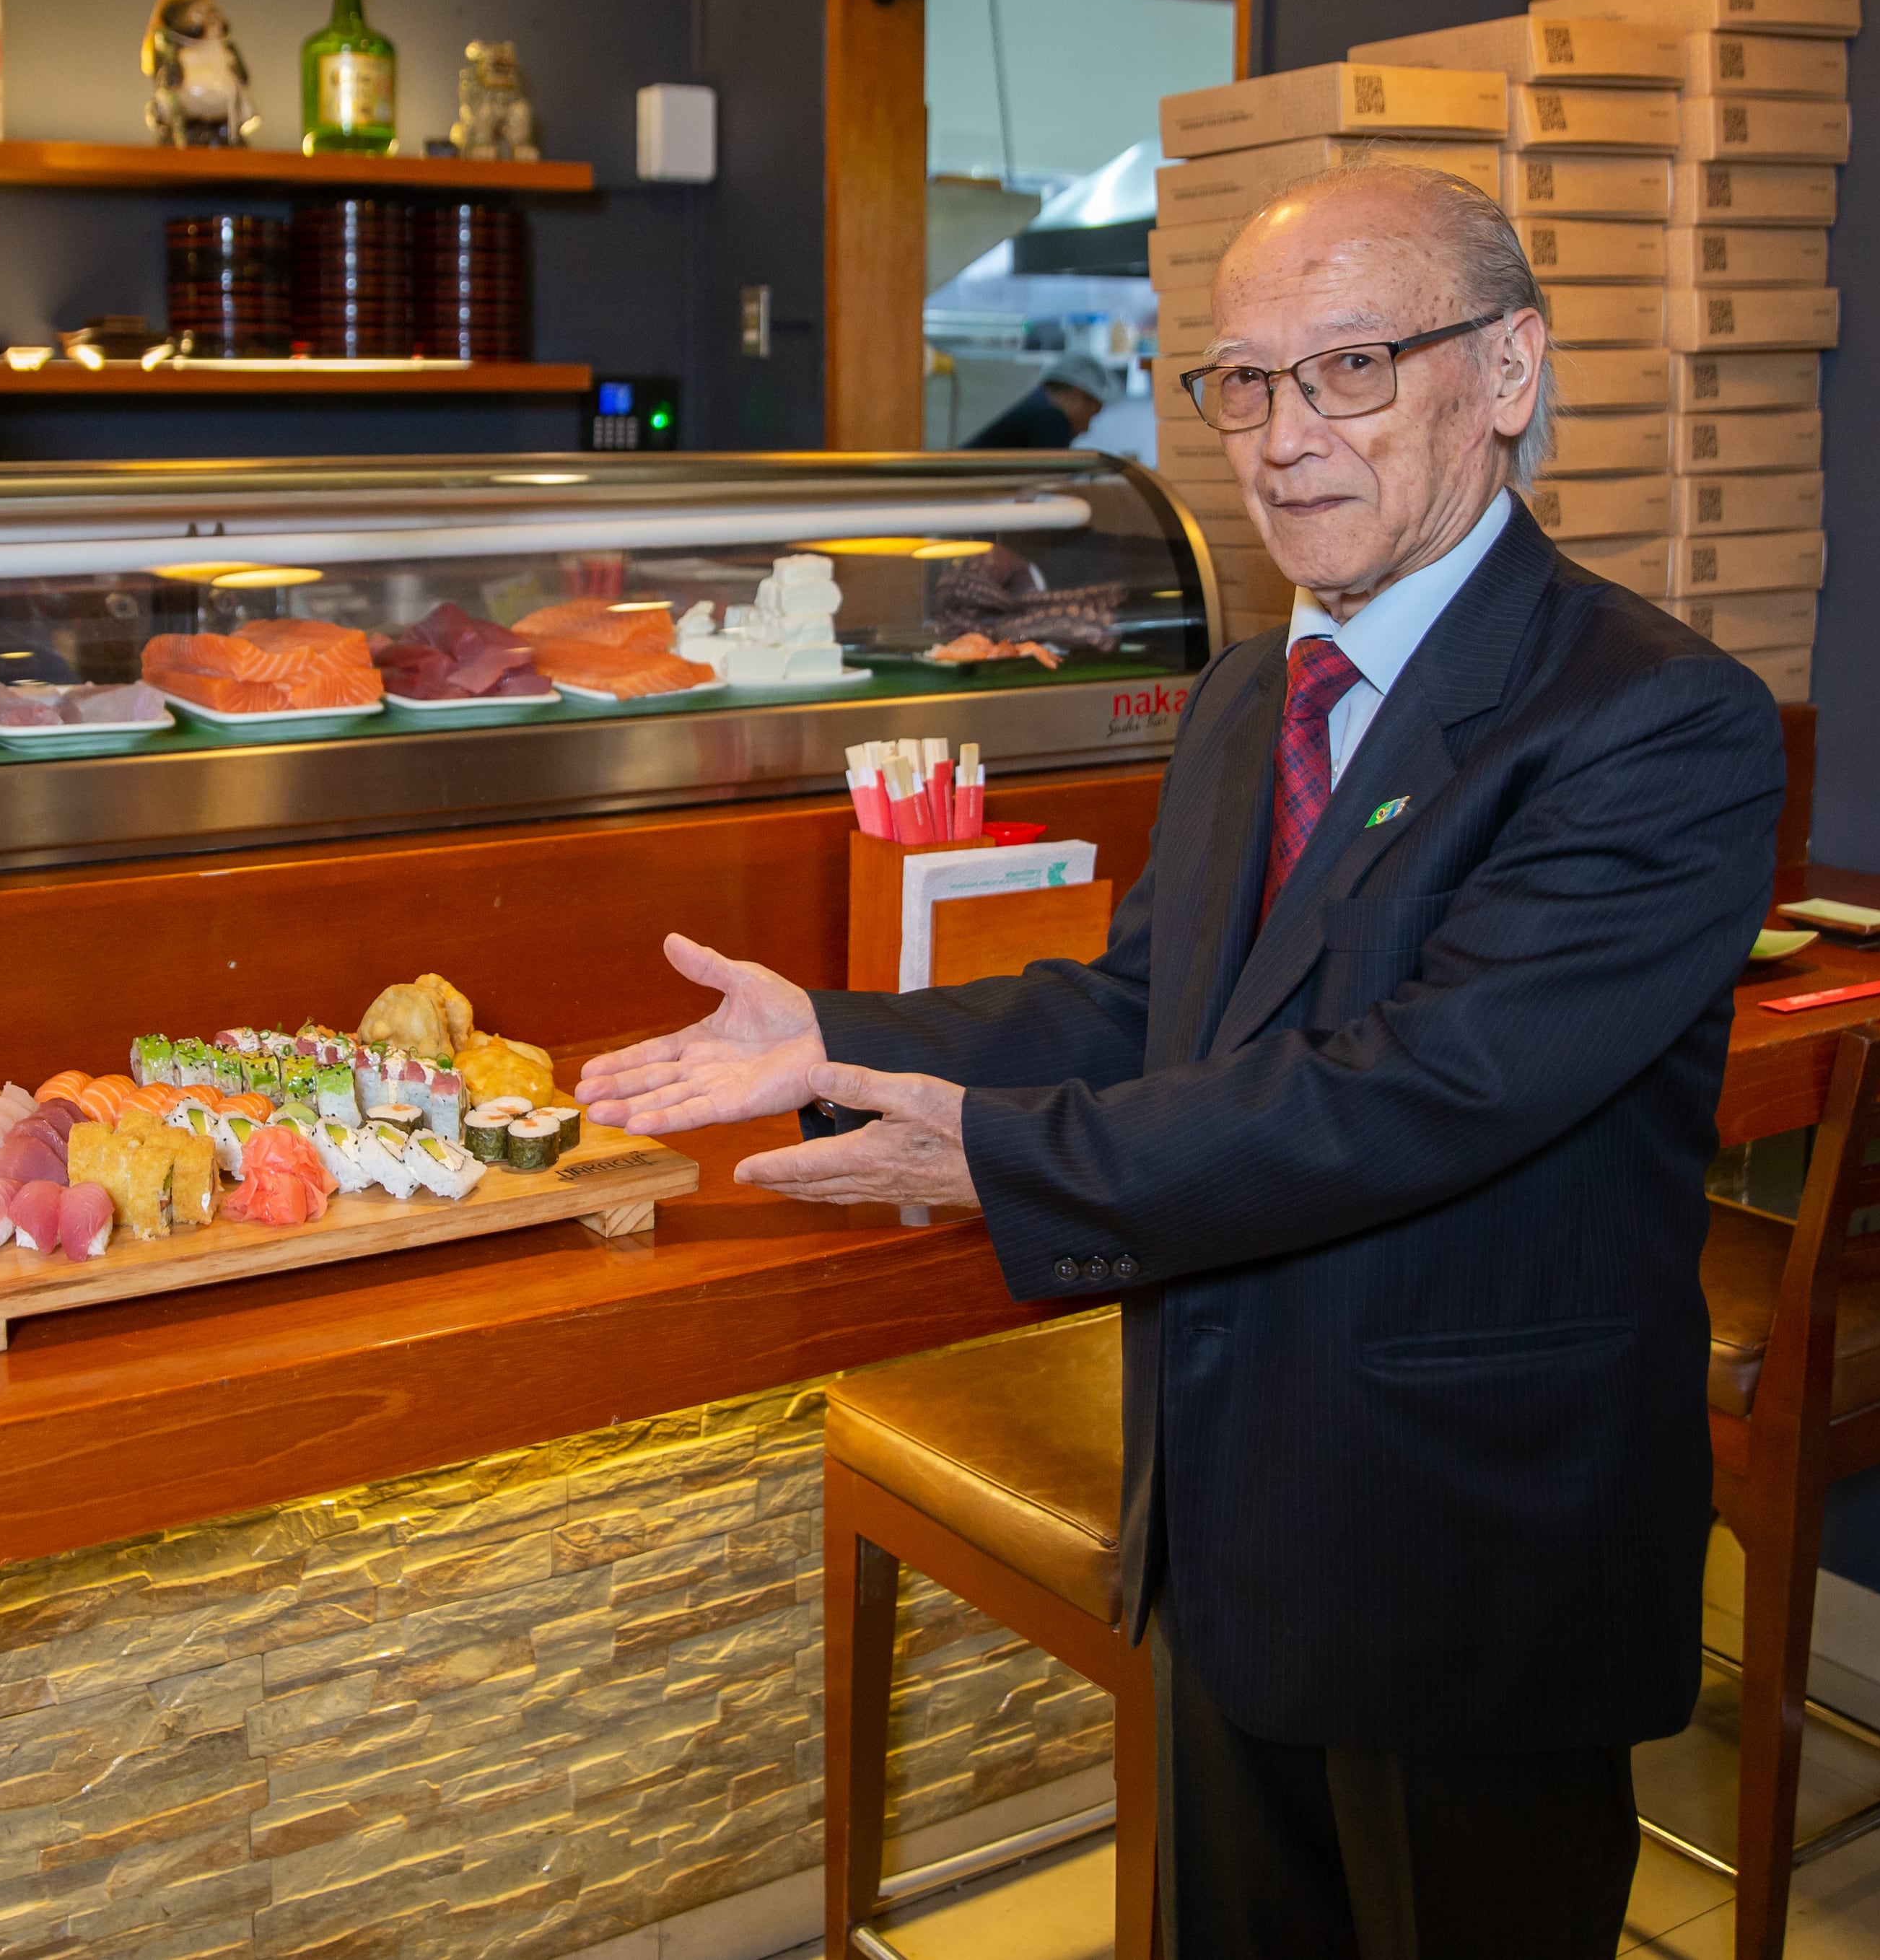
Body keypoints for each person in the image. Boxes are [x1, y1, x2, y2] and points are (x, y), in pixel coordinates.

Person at [582, 163, 1785, 1960]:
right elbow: (1150, 1004)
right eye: (1241, 382)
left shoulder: (1650, 719)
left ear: (1511, 370)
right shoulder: (1247, 692)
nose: (1285, 437)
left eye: (1352, 368)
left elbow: (1414, 1088)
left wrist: (998, 1150)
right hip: (1229, 1498)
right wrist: (832, 1038)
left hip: (1468, 1545)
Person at [966, 348, 1122, 448]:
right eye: (1091, 415)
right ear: (1077, 395)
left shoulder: (1032, 404)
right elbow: (1052, 484)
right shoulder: (1052, 420)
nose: (1086, 429)